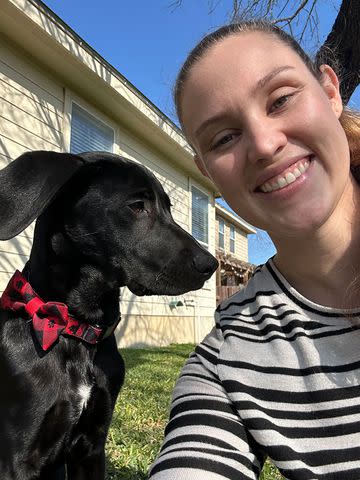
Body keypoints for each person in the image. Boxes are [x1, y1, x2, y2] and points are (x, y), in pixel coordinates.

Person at [148, 20, 360, 480]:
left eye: (281, 99)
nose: (265, 145)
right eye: (224, 138)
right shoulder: (229, 359)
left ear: (329, 91)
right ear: (207, 171)